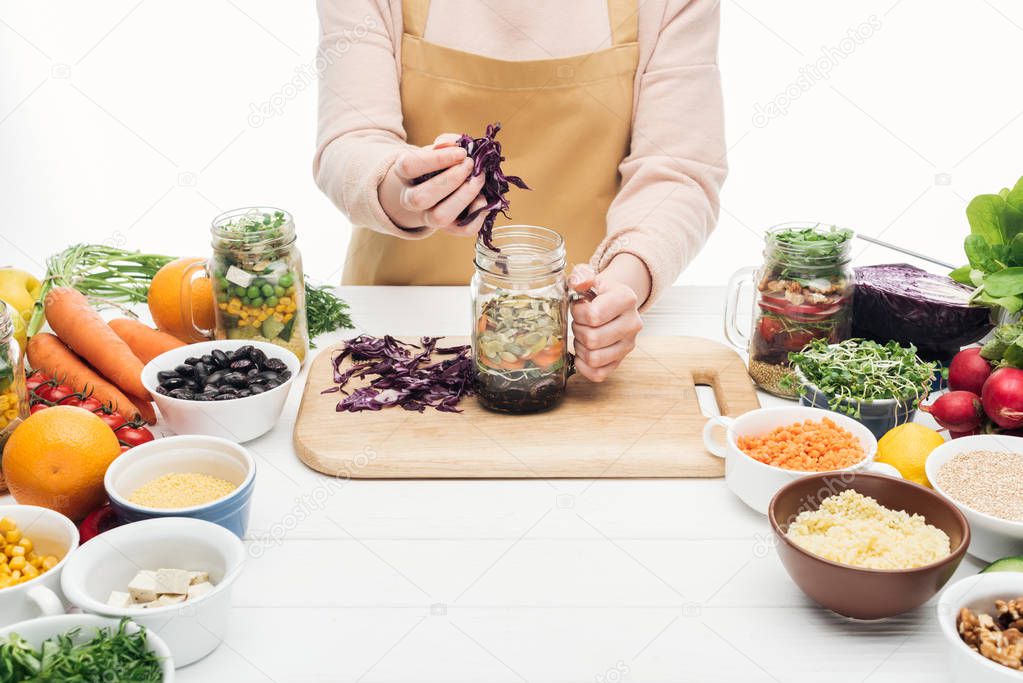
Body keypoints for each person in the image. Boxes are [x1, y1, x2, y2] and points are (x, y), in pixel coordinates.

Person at [314, 0, 726, 381]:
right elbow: (350, 140)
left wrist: (620, 289)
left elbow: (679, 170)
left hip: (570, 323)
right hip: (396, 331)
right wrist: (402, 190)